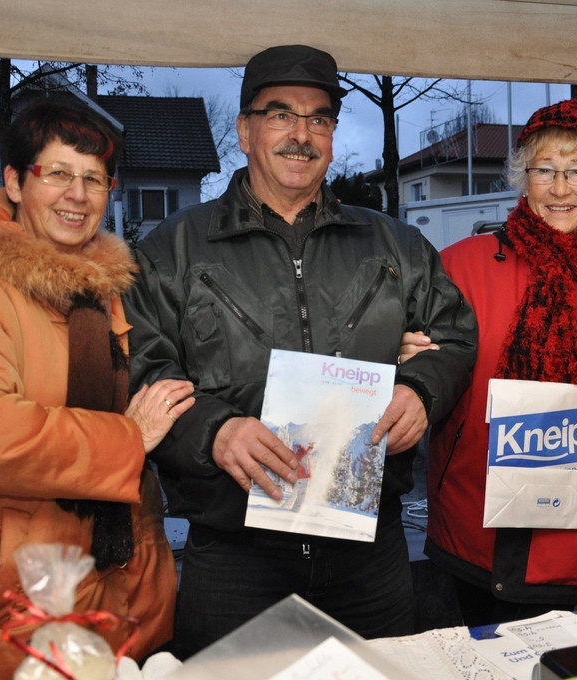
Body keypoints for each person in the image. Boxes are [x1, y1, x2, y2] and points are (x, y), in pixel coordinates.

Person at [122, 44, 477, 656]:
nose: (301, 135)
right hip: (234, 556)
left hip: (371, 551)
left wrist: (421, 391)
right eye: (281, 114)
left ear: (333, 137)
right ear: (245, 131)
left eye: (319, 119)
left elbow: (453, 337)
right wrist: (215, 431)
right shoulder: (173, 249)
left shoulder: (396, 244)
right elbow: (144, 368)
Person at [0, 97, 194, 676]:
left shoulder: (97, 286)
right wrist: (129, 438)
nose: (77, 194)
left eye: (94, 179)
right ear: (14, 182)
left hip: (108, 588)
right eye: (57, 173)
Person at [399, 100, 577, 626]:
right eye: (544, 170)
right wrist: (409, 353)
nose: (559, 188)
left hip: (576, 538)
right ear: (524, 179)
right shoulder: (461, 264)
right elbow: (416, 364)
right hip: (468, 524)